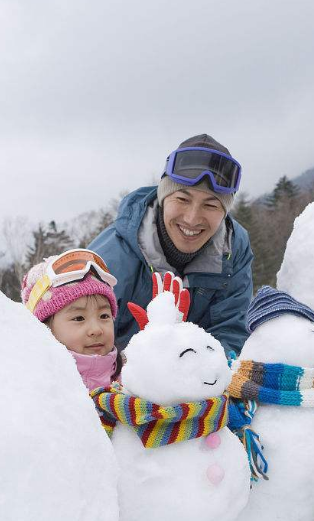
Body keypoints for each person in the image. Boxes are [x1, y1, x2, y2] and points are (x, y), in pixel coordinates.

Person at [89, 134, 253, 356]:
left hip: (196, 378)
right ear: (163, 198)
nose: (192, 218)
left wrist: (204, 373)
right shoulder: (107, 259)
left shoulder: (233, 250)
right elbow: (81, 343)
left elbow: (231, 330)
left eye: (211, 205)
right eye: (182, 200)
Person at [21, 248, 121, 390]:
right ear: (45, 328)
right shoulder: (39, 389)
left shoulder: (133, 381)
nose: (96, 330)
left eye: (104, 316)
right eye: (79, 318)